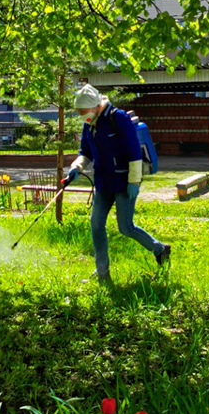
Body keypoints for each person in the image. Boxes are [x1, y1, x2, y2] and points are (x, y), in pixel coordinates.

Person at [68, 83, 171, 282]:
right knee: (96, 226)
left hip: (124, 182)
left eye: (83, 111)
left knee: (126, 227)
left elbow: (134, 152)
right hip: (103, 183)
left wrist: (134, 181)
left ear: (95, 105)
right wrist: (77, 167)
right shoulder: (89, 124)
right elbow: (86, 152)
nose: (81, 116)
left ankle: (159, 249)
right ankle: (102, 273)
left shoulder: (118, 118)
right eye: (79, 113)